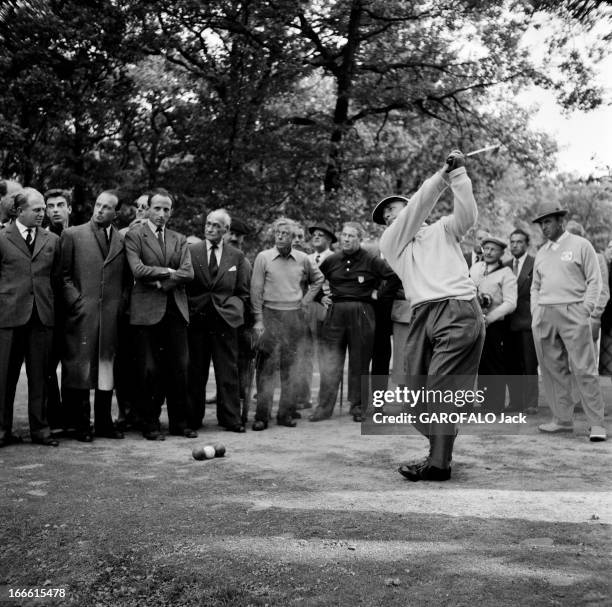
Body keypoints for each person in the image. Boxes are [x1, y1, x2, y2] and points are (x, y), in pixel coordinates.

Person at [377, 150, 485, 482]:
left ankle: (439, 463)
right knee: (412, 396)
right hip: (421, 316)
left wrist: (459, 175)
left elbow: (467, 215)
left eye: (397, 210)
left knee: (441, 390)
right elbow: (420, 204)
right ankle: (441, 449)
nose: (394, 218)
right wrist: (441, 175)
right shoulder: (391, 244)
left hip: (457, 311)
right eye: (389, 217)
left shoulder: (442, 229)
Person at [124, 188, 197, 441]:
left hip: (175, 310)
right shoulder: (135, 236)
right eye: (157, 208)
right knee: (149, 370)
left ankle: (180, 424)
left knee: (180, 368)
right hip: (145, 312)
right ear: (148, 208)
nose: (162, 214)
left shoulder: (179, 238)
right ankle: (150, 424)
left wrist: (164, 281)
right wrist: (168, 270)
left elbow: (189, 273)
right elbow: (138, 270)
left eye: (166, 209)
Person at [531, 202, 607, 442]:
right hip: (545, 313)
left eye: (548, 222)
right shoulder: (541, 252)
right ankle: (562, 420)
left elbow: (595, 280)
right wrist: (536, 312)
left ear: (560, 221)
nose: (544, 227)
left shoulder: (581, 245)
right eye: (541, 223)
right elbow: (535, 286)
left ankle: (597, 424)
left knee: (584, 369)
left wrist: (587, 308)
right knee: (553, 370)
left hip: (574, 310)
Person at [60, 190, 128, 441]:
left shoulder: (122, 241)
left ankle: (104, 424)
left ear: (116, 213)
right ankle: (81, 425)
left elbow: (125, 280)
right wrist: (76, 302)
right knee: (80, 369)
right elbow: (63, 276)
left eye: (107, 207)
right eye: (98, 205)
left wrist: (119, 306)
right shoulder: (73, 234)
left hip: (110, 316)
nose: (100, 210)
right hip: (82, 315)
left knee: (106, 369)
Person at [309, 222, 393, 422]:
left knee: (359, 361)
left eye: (351, 236)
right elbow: (313, 280)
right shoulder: (332, 260)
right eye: (344, 235)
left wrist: (378, 294)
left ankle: (358, 407)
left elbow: (394, 278)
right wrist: (320, 297)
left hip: (362, 312)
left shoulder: (371, 260)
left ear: (359, 239)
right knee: (331, 360)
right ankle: (324, 407)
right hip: (335, 312)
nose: (346, 239)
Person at [0, 188, 60, 447]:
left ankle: (40, 429)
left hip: (41, 317)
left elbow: (56, 280)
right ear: (19, 211)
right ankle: (2, 430)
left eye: (43, 209)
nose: (42, 213)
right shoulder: (2, 238)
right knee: (4, 377)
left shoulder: (52, 240)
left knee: (40, 376)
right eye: (36, 210)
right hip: (8, 317)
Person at [250, 218, 324, 430]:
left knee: (291, 368)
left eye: (285, 233)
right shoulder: (263, 257)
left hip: (294, 317)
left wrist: (306, 300)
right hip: (270, 315)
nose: (280, 236)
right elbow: (256, 291)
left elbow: (318, 280)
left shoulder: (303, 259)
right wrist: (258, 319)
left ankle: (285, 414)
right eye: (278, 232)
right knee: (266, 368)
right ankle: (261, 416)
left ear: (294, 238)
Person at [186, 210, 250, 433]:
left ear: (226, 230)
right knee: (195, 371)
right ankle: (193, 419)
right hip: (197, 319)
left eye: (216, 225)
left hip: (225, 321)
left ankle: (230, 419)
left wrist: (234, 310)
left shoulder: (236, 256)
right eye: (208, 224)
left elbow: (242, 291)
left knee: (227, 371)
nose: (210, 228)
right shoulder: (191, 251)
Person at [469, 236, 517, 413]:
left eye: (493, 249)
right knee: (475, 364)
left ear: (501, 253)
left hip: (495, 326)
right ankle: (473, 403)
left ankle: (494, 405)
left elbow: (511, 303)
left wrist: (489, 318)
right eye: (486, 248)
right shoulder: (475, 269)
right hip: (473, 324)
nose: (488, 252)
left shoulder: (507, 274)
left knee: (493, 364)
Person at [294, 222, 336, 413]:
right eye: (314, 235)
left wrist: (331, 296)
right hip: (307, 307)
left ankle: (324, 400)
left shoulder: (335, 258)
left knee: (325, 353)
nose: (316, 237)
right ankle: (303, 396)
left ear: (329, 240)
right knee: (304, 351)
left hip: (326, 308)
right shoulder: (305, 258)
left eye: (321, 235)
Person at [43, 188, 72, 434]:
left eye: (60, 205)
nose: (55, 210)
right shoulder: (42, 238)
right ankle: (54, 418)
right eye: (50, 206)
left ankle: (74, 419)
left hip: (76, 311)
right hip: (49, 312)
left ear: (69, 208)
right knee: (48, 366)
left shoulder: (81, 236)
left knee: (75, 365)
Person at [503, 228, 538, 414]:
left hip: (528, 322)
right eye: (512, 242)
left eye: (519, 242)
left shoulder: (535, 263)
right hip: (508, 323)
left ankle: (531, 403)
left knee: (529, 364)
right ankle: (515, 401)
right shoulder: (505, 265)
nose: (515, 245)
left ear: (527, 244)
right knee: (511, 364)